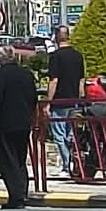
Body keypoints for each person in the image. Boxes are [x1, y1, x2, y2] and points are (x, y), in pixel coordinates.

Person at [0, 46, 38, 209]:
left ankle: (16, 195)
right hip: (23, 122)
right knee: (20, 159)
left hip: (4, 124)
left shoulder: (0, 76)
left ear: (2, 58)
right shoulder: (26, 74)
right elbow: (33, 97)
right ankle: (22, 192)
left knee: (8, 160)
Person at [46, 25, 85, 177]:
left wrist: (48, 102)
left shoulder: (55, 56)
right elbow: (82, 79)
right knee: (71, 135)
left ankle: (66, 166)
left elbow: (54, 80)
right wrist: (81, 99)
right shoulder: (78, 55)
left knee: (59, 135)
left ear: (57, 37)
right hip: (74, 100)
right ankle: (74, 165)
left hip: (60, 101)